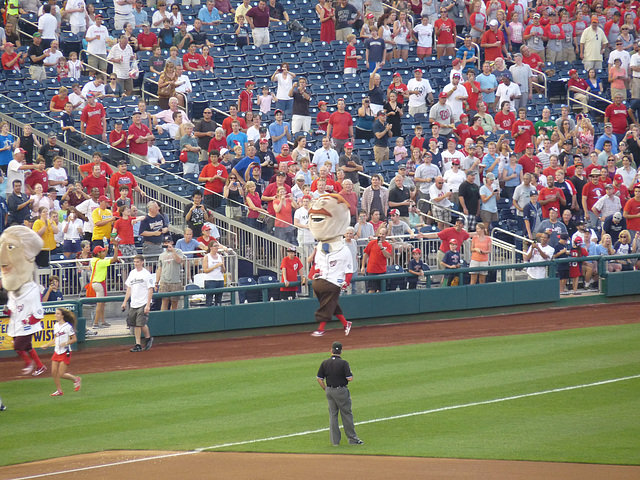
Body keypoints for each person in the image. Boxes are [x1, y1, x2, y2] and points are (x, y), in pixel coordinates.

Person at [1, 226, 47, 376]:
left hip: (26, 325)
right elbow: (11, 305)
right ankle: (40, 366)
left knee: (18, 346)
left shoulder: (33, 289)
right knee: (27, 347)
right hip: (17, 322)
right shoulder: (13, 288)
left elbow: (39, 313)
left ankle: (29, 363)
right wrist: (8, 310)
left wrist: (29, 322)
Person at [309, 194, 354, 336]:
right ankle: (346, 324)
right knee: (332, 304)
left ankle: (321, 329)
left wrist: (346, 283)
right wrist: (313, 274)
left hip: (335, 281)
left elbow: (349, 269)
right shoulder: (320, 247)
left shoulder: (344, 250)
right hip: (323, 278)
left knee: (327, 304)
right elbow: (317, 265)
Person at [316, 341, 363, 446]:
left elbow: (319, 378)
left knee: (333, 415)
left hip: (329, 391)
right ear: (341, 351)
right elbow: (350, 378)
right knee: (346, 414)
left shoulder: (325, 362)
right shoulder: (343, 363)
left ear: (331, 350)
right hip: (341, 391)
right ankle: (353, 440)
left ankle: (335, 442)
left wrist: (326, 388)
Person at [40, 308, 81, 397]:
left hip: (65, 351)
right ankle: (59, 390)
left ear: (62, 316)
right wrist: (47, 345)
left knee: (61, 374)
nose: (56, 315)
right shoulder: (55, 326)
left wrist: (66, 343)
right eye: (56, 313)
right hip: (57, 351)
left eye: (58, 314)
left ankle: (76, 379)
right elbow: (56, 338)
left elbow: (74, 339)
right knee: (53, 372)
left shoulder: (68, 327)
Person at [122, 254, 155, 353]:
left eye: (137, 262)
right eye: (135, 262)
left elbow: (150, 289)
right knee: (136, 324)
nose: (136, 264)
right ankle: (143, 341)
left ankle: (143, 341)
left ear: (142, 262)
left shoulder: (146, 274)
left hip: (143, 302)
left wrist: (148, 304)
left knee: (139, 323)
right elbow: (129, 288)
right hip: (134, 302)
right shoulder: (132, 273)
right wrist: (124, 302)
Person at [202, 240, 225, 306]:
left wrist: (222, 266)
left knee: (219, 301)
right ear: (211, 247)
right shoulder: (207, 257)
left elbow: (223, 270)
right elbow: (205, 270)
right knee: (209, 300)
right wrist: (215, 266)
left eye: (217, 246)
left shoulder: (220, 257)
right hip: (210, 280)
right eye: (215, 246)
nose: (217, 247)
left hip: (220, 280)